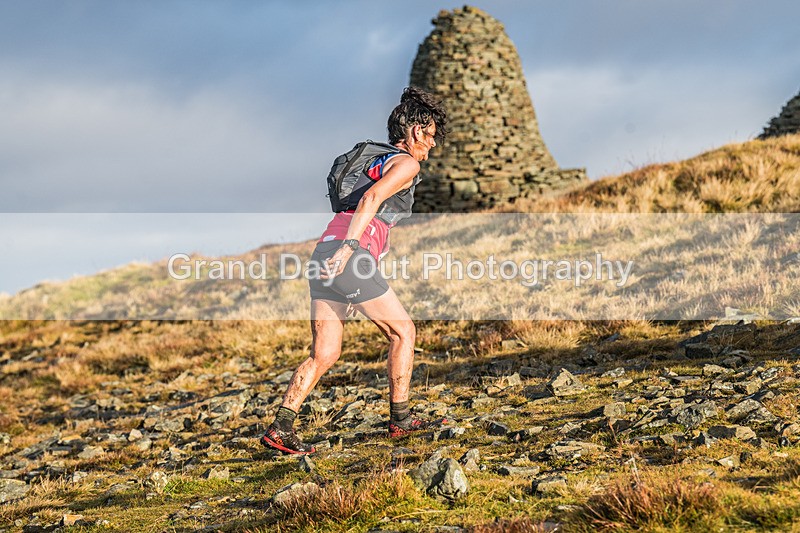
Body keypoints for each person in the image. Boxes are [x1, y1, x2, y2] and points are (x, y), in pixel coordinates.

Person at [260, 87, 447, 455]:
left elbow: (363, 198)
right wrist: (351, 250)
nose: (433, 145)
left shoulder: (375, 160)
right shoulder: (407, 163)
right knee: (404, 332)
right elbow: (371, 199)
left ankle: (281, 427)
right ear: (415, 131)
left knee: (325, 353)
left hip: (323, 254)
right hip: (348, 255)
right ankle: (401, 420)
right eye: (431, 136)